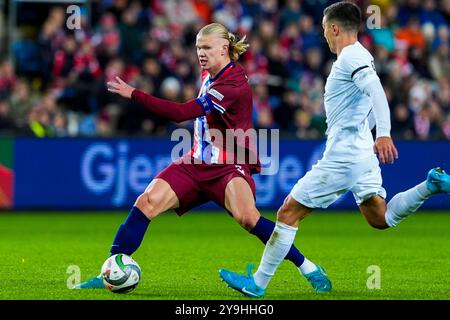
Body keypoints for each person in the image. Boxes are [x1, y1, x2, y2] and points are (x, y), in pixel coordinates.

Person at [75, 23, 331, 291]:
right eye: (198, 48)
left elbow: (181, 114)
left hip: (228, 165)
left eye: (207, 47)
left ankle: (309, 268)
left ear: (224, 48)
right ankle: (111, 269)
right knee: (146, 201)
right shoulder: (210, 72)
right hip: (195, 162)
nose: (201, 53)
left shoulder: (232, 83)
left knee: (248, 218)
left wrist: (135, 94)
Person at [219, 1, 450, 298]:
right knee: (381, 217)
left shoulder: (350, 59)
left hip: (346, 154)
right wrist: (371, 135)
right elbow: (366, 102)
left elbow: (377, 92)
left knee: (287, 212)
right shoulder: (362, 55)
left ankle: (258, 283)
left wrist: (385, 134)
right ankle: (431, 185)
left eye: (325, 29)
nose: (324, 35)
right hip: (361, 151)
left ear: (335, 28)